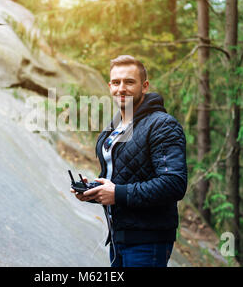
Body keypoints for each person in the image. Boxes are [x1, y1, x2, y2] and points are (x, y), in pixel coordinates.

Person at [71, 55, 187, 267]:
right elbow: (122, 176)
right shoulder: (115, 126)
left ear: (144, 86)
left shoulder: (162, 125)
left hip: (147, 240)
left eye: (129, 82)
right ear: (109, 86)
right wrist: (94, 191)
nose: (121, 88)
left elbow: (174, 184)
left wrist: (117, 193)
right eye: (116, 82)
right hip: (118, 237)